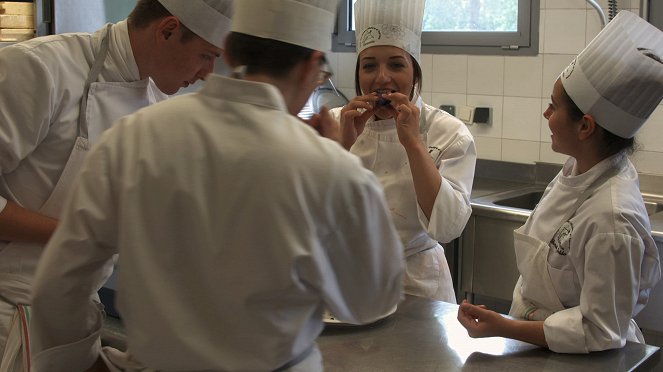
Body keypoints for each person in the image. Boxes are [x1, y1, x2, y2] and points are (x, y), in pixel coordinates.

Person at [28, 0, 405, 370]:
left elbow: (59, 283)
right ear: (311, 66)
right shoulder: (333, 169)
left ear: (227, 49)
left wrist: (76, 362)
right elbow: (369, 299)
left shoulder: (134, 136)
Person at [0, 0, 233, 370]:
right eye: (206, 55)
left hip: (76, 310)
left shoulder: (157, 102)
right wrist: (82, 237)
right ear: (168, 30)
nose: (207, 73)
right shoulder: (40, 68)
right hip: (11, 308)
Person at [457, 10, 662, 353]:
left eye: (554, 107)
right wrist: (513, 324)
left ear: (586, 127)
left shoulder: (614, 218)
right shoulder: (577, 169)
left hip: (584, 359)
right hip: (541, 348)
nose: (546, 115)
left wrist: (509, 327)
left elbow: (600, 330)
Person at [328, 0, 476, 302]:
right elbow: (302, 213)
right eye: (369, 66)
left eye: (396, 64)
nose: (382, 78)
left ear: (415, 74)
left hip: (419, 288)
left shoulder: (447, 132)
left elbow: (448, 227)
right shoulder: (333, 123)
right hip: (345, 284)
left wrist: (413, 143)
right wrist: (340, 147)